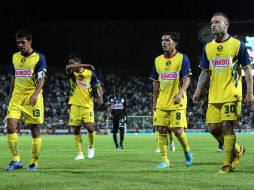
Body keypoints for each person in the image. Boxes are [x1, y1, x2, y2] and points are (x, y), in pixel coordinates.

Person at [193, 12, 254, 173]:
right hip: (214, 95)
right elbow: (205, 72)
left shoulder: (237, 44)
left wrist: (250, 92)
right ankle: (237, 149)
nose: (213, 25)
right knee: (213, 128)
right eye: (212, 22)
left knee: (227, 126)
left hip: (232, 94)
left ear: (226, 25)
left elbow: (247, 70)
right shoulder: (208, 47)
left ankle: (228, 164)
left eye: (217, 22)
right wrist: (198, 90)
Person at [5, 28, 46, 171]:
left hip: (32, 96)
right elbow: (13, 78)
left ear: (30, 42)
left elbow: (41, 78)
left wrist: (35, 94)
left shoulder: (39, 57)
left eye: (23, 42)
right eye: (18, 43)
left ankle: (34, 162)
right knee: (10, 126)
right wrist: (11, 94)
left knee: (35, 129)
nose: (20, 45)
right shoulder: (15, 57)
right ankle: (16, 161)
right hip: (16, 97)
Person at [151, 31, 193, 169]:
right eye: (162, 40)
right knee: (161, 130)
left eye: (167, 40)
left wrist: (181, 93)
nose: (164, 42)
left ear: (175, 43)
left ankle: (187, 151)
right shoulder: (157, 60)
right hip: (162, 101)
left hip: (177, 100)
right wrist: (154, 102)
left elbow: (187, 77)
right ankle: (165, 160)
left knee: (177, 131)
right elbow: (155, 83)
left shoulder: (182, 58)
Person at [66, 53, 103, 160]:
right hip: (74, 104)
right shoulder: (71, 72)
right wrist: (86, 65)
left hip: (87, 104)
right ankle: (80, 153)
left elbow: (98, 87)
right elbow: (67, 67)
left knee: (90, 127)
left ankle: (91, 146)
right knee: (76, 129)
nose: (71, 64)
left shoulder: (90, 73)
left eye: (73, 62)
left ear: (78, 62)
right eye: (70, 63)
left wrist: (100, 98)